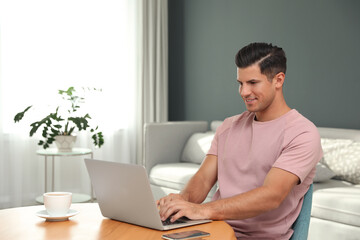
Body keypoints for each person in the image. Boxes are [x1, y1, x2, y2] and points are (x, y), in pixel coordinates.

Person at [157, 42, 323, 239]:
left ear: (278, 80)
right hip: (212, 231)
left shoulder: (302, 133)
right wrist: (180, 202)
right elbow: (202, 179)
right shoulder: (229, 126)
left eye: (252, 83)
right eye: (240, 83)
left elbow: (271, 196)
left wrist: (202, 211)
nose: (243, 92)